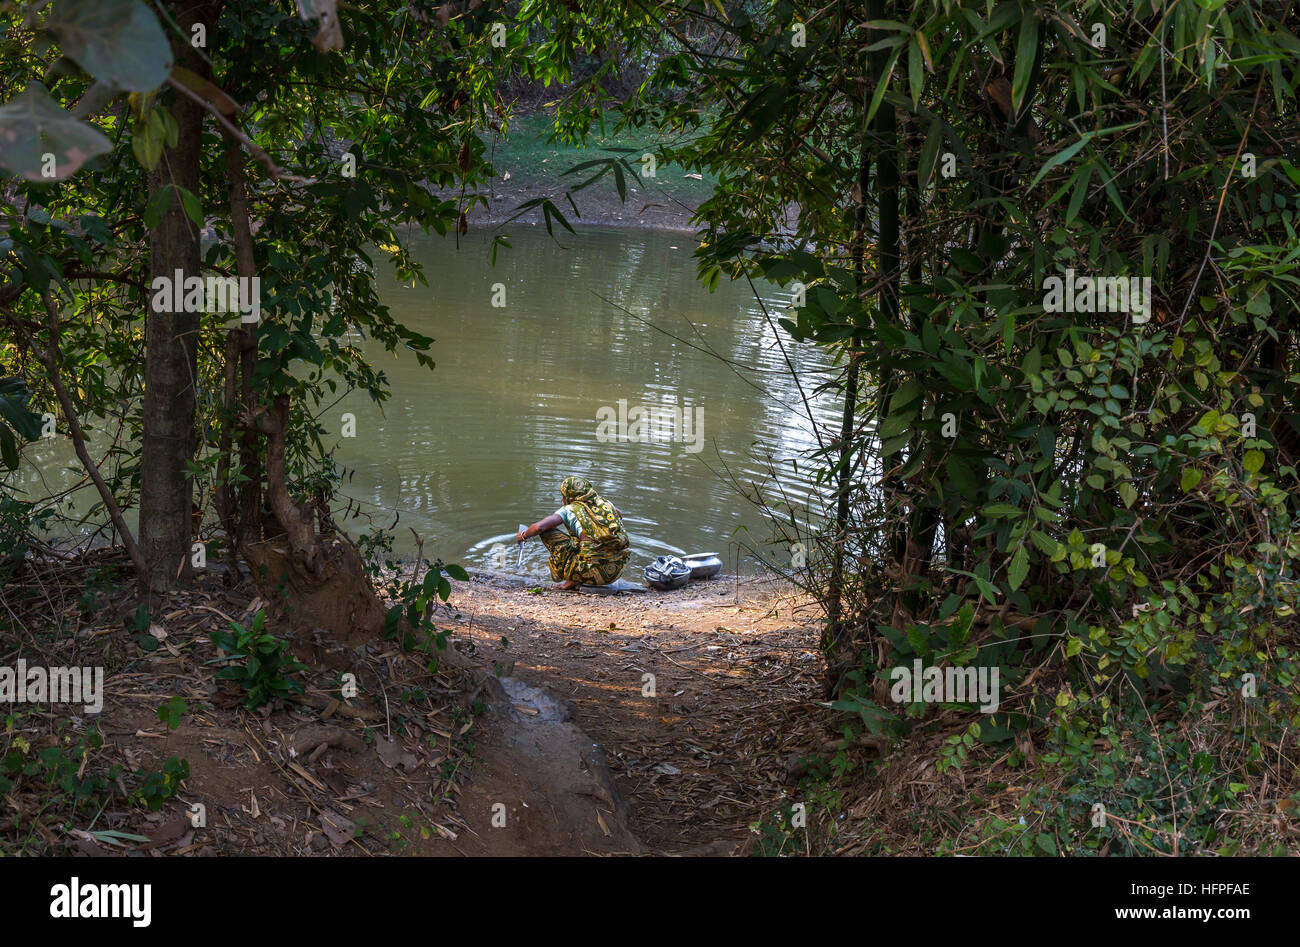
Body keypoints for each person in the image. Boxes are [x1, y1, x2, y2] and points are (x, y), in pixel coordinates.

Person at [517, 476, 630, 590]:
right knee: (587, 544)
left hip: (589, 574)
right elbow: (619, 514)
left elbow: (538, 527)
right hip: (615, 572)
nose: (563, 500)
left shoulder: (570, 509)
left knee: (547, 531)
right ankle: (582, 572)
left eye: (563, 496)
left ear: (569, 496)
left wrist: (523, 535)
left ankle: (573, 578)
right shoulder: (606, 504)